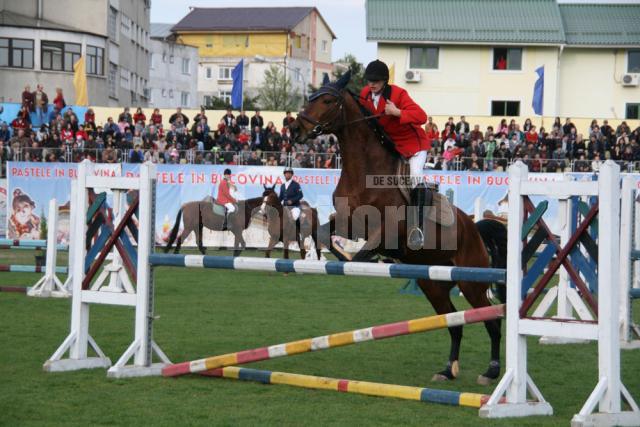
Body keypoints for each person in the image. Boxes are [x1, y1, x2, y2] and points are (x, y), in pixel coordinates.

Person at [359, 59, 431, 248]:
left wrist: (397, 112)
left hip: (414, 146)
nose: (371, 84)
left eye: (375, 81)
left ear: (384, 81)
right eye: (369, 80)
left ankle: (418, 228)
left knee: (415, 177)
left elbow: (422, 117)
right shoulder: (365, 94)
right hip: (391, 147)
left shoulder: (399, 94)